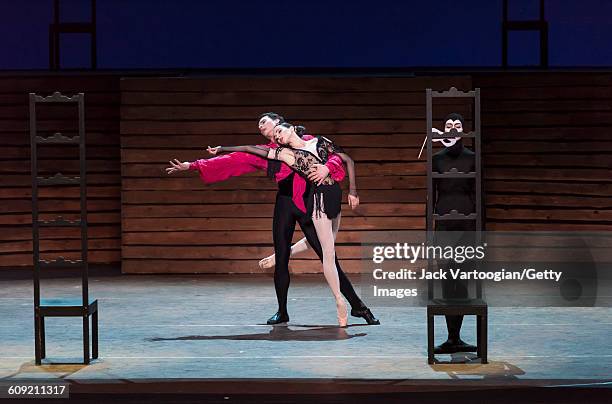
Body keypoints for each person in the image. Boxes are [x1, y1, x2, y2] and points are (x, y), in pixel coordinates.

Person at [166, 113, 379, 326]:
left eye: (264, 123)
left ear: (281, 124)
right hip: (285, 204)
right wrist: (193, 165)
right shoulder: (270, 152)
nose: (260, 127)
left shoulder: (307, 140)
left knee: (329, 256)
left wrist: (331, 172)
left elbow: (336, 157)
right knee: (282, 259)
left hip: (310, 201)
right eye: (259, 125)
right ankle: (282, 311)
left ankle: (359, 307)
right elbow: (235, 158)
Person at [207, 122, 357, 326]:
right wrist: (222, 149)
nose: (276, 137)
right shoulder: (285, 155)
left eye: (279, 131)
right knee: (328, 254)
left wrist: (352, 191)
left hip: (334, 196)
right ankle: (340, 302)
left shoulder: (319, 141)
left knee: (327, 242)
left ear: (292, 128)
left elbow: (347, 159)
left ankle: (278, 256)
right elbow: (250, 149)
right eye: (275, 136)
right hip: (318, 200)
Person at [431, 113, 478, 354]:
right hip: (444, 228)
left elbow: (478, 195)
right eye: (448, 125)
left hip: (466, 227)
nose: (452, 128)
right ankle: (451, 338)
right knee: (448, 282)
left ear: (463, 130)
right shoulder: (436, 159)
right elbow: (432, 197)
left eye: (457, 125)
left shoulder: (472, 158)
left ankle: (457, 337)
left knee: (463, 282)